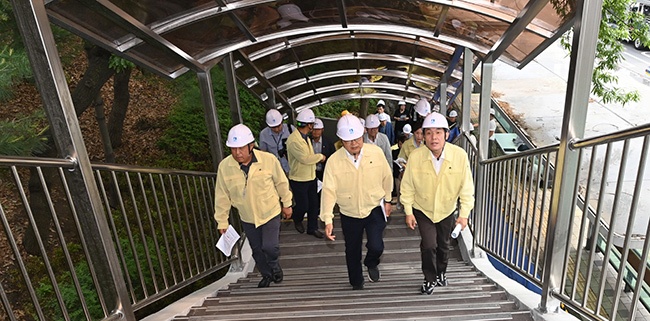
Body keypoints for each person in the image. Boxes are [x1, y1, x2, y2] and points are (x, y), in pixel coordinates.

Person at [400, 112, 474, 295]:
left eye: (438, 132)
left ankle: (441, 272)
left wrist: (464, 214)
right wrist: (408, 211)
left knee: (443, 244)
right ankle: (429, 278)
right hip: (423, 209)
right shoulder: (416, 157)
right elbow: (407, 186)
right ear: (423, 136)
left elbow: (466, 188)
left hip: (447, 209)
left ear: (446, 135)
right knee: (429, 245)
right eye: (429, 133)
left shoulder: (460, 156)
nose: (434, 138)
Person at [213, 124, 293, 288]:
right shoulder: (225, 167)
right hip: (247, 216)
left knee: (270, 247)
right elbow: (222, 195)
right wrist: (222, 221)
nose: (237, 153)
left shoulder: (268, 160)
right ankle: (267, 274)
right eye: (233, 149)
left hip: (270, 212)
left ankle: (274, 264)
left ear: (251, 146)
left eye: (241, 148)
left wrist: (287, 204)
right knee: (257, 250)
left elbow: (281, 183)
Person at [320, 114, 393, 290]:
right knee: (352, 249)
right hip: (349, 211)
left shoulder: (375, 152)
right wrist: (328, 219)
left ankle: (371, 262)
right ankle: (356, 282)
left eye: (357, 138)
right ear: (341, 141)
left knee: (377, 245)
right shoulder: (334, 161)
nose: (354, 143)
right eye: (348, 140)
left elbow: (387, 176)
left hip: (374, 207)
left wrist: (388, 200)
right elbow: (328, 191)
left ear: (363, 135)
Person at [286, 109, 326, 238]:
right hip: (298, 179)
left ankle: (312, 228)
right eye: (312, 124)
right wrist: (320, 157)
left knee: (314, 204)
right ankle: (297, 218)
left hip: (311, 177)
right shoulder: (294, 140)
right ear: (308, 125)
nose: (313, 127)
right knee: (303, 205)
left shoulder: (305, 138)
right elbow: (305, 159)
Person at [259, 109, 292, 174]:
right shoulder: (263, 134)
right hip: (275, 170)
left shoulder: (290, 129)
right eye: (273, 127)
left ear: (282, 121)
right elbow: (263, 153)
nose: (277, 129)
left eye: (278, 126)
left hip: (292, 168)